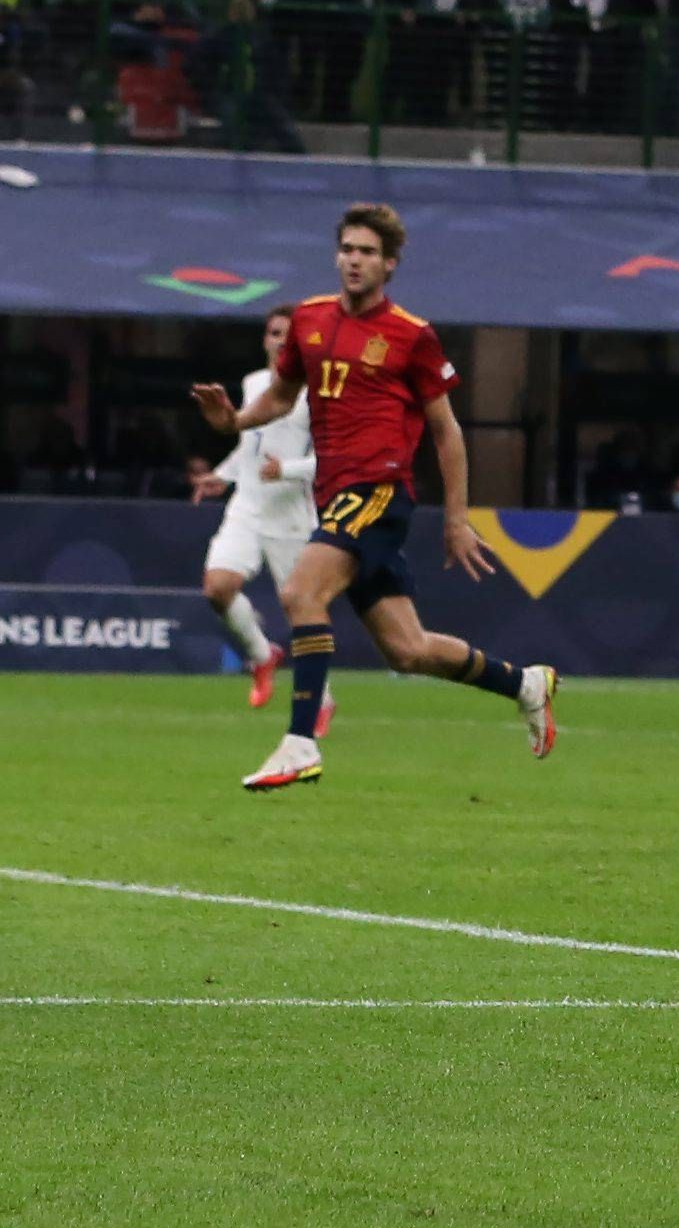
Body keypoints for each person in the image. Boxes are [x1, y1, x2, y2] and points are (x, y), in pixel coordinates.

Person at [192, 203, 551, 791]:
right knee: (407, 651)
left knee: (300, 590)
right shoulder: (309, 320)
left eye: (367, 252)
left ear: (389, 264)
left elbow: (447, 430)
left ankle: (299, 742)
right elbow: (282, 397)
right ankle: (525, 685)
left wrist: (457, 519)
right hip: (338, 497)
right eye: (347, 249)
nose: (354, 260)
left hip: (379, 490)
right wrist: (233, 421)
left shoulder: (411, 335)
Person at [195, 303, 319, 715]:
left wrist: (288, 469)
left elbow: (332, 459)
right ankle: (262, 656)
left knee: (303, 610)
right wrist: (223, 474)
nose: (279, 340)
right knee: (218, 587)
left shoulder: (317, 392)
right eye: (273, 333)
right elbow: (248, 446)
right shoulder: (253, 384)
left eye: (287, 334)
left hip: (290, 515)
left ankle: (322, 701)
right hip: (247, 505)